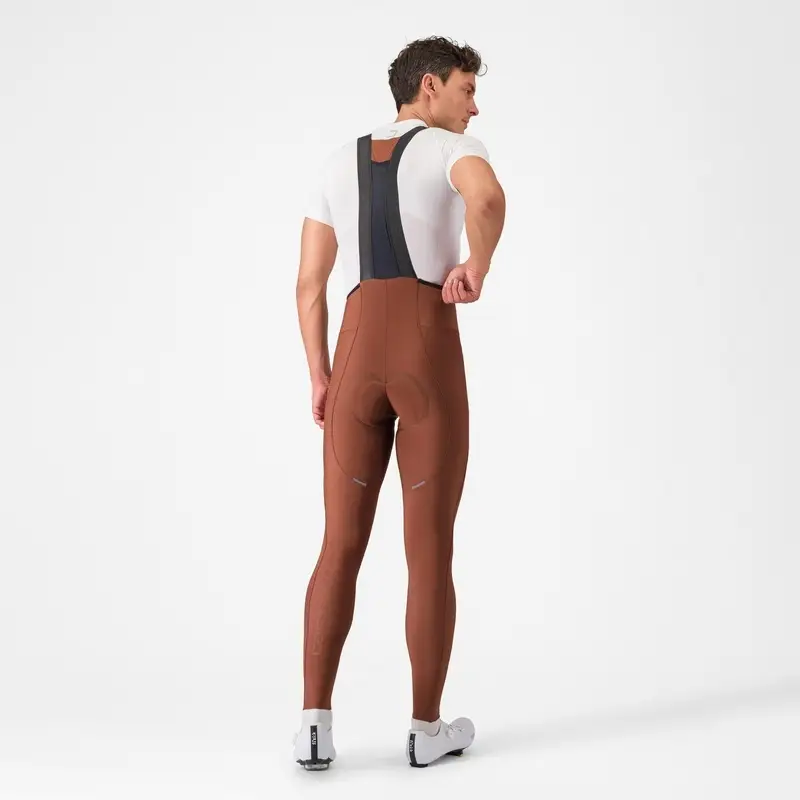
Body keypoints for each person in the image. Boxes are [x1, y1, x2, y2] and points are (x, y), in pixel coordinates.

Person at [293, 35, 506, 769]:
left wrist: (320, 375)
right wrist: (477, 266)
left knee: (339, 544)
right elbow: (487, 198)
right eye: (466, 89)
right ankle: (424, 728)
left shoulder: (334, 162)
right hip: (425, 348)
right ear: (429, 87)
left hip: (353, 355)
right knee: (429, 547)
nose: (474, 107)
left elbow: (308, 284)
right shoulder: (453, 149)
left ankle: (313, 725)